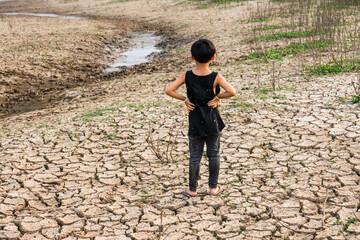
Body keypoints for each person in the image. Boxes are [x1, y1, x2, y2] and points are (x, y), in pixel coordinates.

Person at [165, 39, 236, 197]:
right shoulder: (216, 77)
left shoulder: (187, 76)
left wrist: (184, 99)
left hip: (195, 121)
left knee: (195, 156)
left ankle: (192, 189)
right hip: (213, 121)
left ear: (192, 57)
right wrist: (218, 97)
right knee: (213, 155)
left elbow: (168, 90)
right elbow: (232, 92)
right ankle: (213, 188)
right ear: (213, 57)